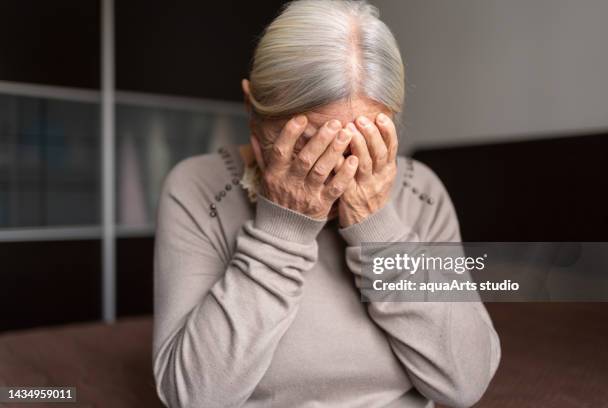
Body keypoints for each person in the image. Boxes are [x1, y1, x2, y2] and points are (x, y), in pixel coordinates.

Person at [153, 1, 501, 407]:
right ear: (251, 110)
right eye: (311, 144)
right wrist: (282, 229)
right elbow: (192, 396)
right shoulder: (197, 187)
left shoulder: (422, 190)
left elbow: (466, 383)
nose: (336, 171)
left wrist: (378, 229)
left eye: (364, 143)